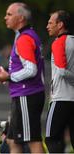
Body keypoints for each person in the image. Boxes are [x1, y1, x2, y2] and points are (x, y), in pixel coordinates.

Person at [0, 2, 45, 153]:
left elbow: (31, 69)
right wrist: (4, 73)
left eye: (9, 14)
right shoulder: (24, 36)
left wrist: (9, 76)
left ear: (20, 18)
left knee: (33, 141)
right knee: (12, 141)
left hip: (27, 95)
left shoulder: (24, 38)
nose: (5, 17)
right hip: (22, 95)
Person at [45, 10, 74, 153]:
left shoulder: (58, 42)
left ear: (60, 24)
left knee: (52, 139)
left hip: (61, 98)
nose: (47, 26)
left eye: (50, 23)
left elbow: (62, 71)